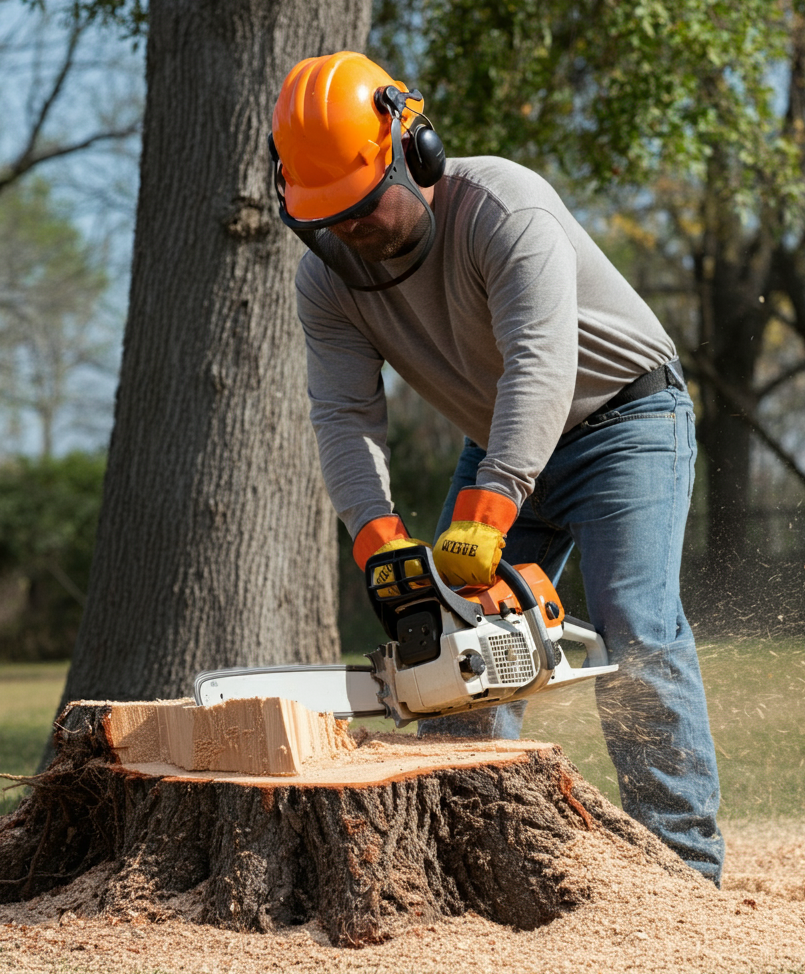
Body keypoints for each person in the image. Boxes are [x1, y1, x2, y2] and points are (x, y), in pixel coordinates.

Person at [270, 52, 725, 885]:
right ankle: (465, 856)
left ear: (420, 154)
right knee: (450, 641)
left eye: (367, 209)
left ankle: (683, 868)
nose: (355, 234)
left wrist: (488, 513)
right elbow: (342, 415)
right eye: (330, 222)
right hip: (502, 436)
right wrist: (379, 543)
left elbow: (542, 364)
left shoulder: (506, 209)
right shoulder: (327, 282)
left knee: (635, 624)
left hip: (623, 416)